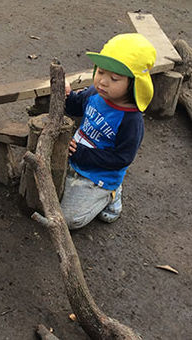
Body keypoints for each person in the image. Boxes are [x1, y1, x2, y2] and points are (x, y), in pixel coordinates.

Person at [60, 33, 156, 229]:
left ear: (134, 84)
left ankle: (110, 196)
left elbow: (122, 158)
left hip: (98, 174)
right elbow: (77, 106)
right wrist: (67, 96)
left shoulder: (131, 120)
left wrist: (81, 154)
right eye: (101, 72)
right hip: (75, 155)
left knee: (67, 219)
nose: (103, 81)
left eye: (114, 78)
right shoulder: (96, 93)